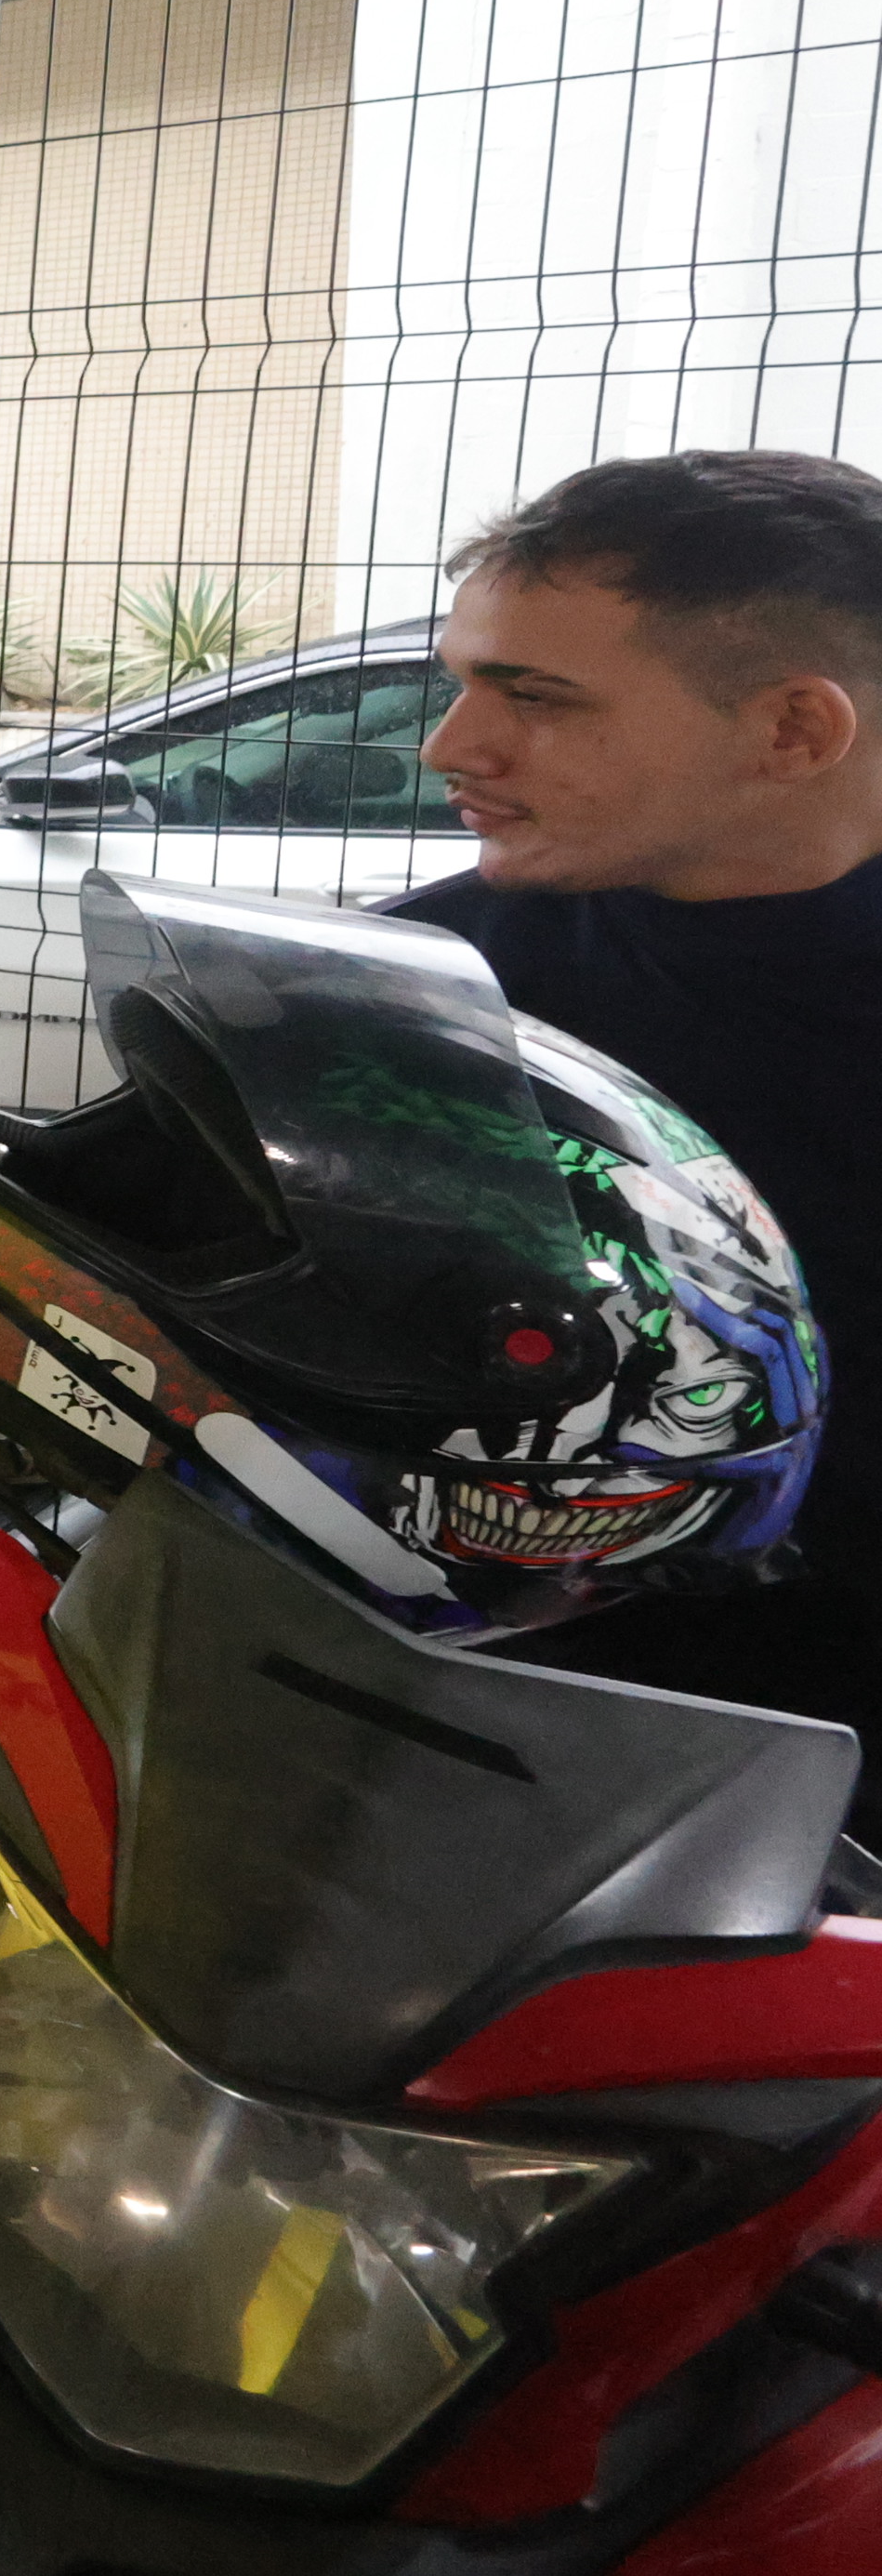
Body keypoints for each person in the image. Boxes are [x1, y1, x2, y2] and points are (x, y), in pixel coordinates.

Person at [396, 452, 882, 1764]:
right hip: (431, 1711)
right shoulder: (419, 987)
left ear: (793, 731)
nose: (453, 748)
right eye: (462, 685)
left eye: (538, 698)